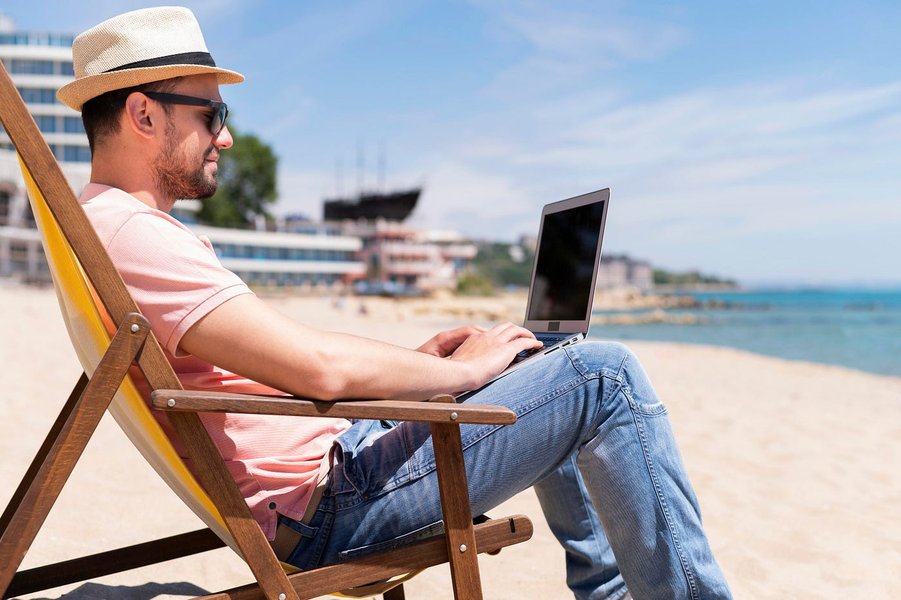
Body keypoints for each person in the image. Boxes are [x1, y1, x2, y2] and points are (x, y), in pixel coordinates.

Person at [58, 7, 732, 599]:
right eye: (213, 116)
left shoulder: (107, 228)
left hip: (336, 459)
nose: (225, 138)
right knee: (603, 377)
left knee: (540, 351)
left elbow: (278, 363)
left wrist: (419, 363)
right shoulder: (132, 234)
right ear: (144, 113)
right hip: (326, 506)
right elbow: (317, 369)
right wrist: (461, 374)